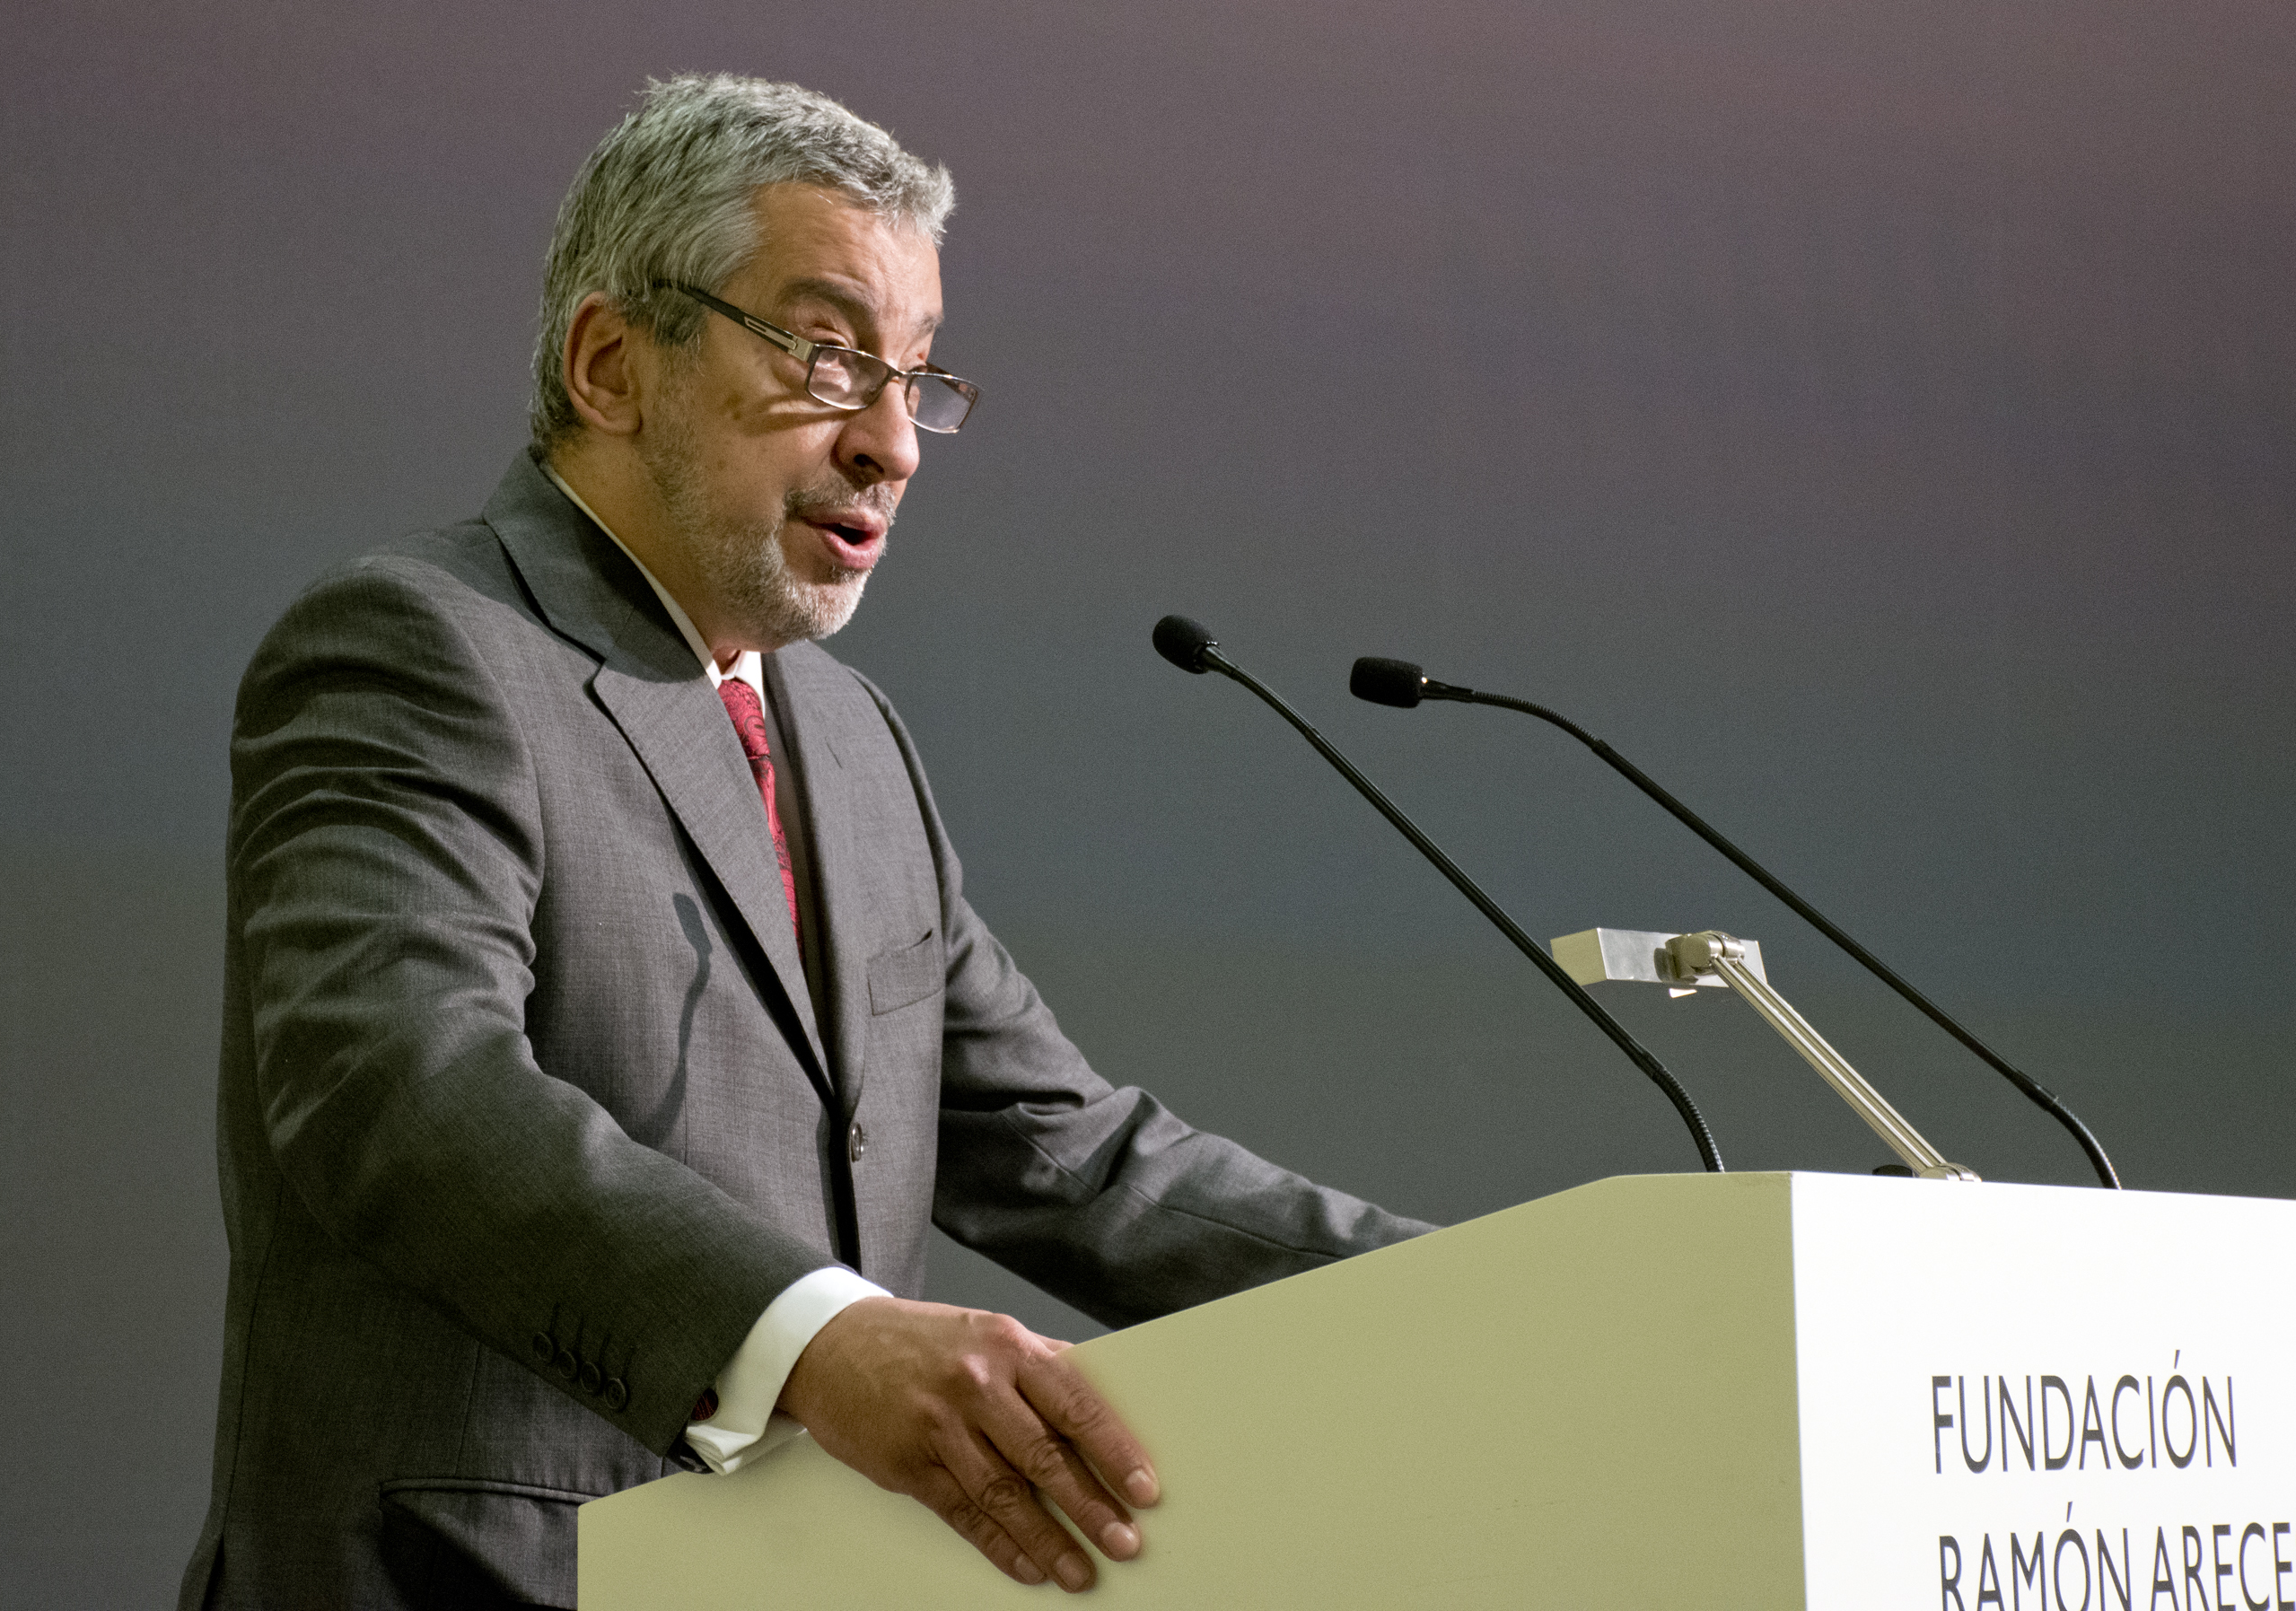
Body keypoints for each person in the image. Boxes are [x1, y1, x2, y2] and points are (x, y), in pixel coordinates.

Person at [180, 74, 1430, 1610]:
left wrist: (1488, 1292)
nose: (893, 443)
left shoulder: (848, 738)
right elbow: (398, 1089)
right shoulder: (423, 645)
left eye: (917, 376)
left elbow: (1065, 1154)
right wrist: (813, 1338)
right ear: (612, 363)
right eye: (829, 357)